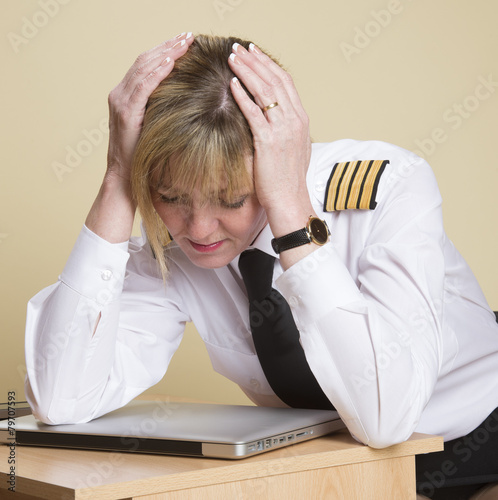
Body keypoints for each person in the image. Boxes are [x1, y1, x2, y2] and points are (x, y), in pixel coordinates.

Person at [24, 33, 498, 499]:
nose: (200, 229)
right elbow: (62, 399)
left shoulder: (390, 188)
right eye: (170, 197)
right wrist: (116, 179)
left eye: (230, 199)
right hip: (339, 460)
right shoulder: (173, 243)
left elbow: (387, 418)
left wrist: (292, 217)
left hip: (476, 427)